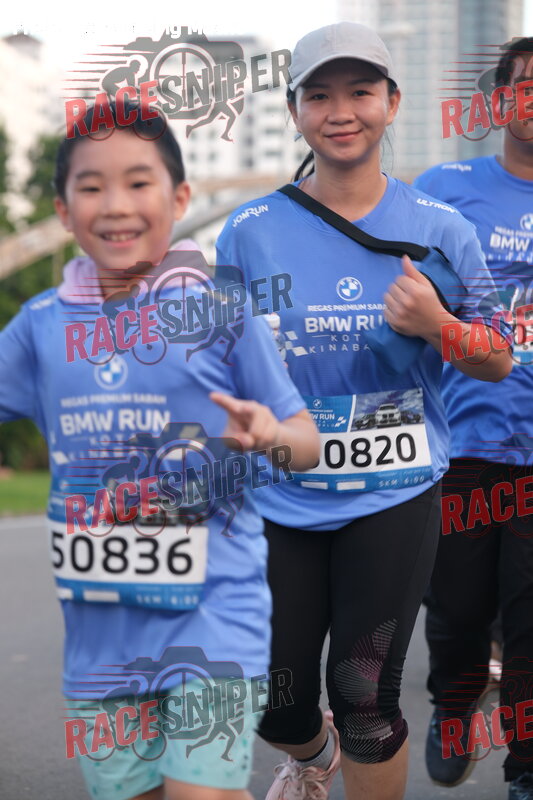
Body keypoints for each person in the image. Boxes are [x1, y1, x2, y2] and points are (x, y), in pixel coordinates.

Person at [215, 21, 513, 800]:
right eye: (318, 95)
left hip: (394, 491)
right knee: (273, 698)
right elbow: (219, 361)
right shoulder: (248, 232)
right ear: (294, 110)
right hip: (279, 491)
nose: (340, 111)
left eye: (359, 91)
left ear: (391, 102)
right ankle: (311, 759)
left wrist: (438, 326)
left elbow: (497, 356)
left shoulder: (440, 228)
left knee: (364, 696)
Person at [0, 101, 320, 800]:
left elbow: (308, 444)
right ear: (63, 211)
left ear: (178, 198)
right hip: (101, 649)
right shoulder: (39, 329)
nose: (116, 204)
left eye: (138, 182)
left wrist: (271, 435)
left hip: (217, 621)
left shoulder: (222, 315)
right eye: (92, 186)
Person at [414, 37, 533, 800]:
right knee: (455, 611)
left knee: (529, 624)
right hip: (461, 439)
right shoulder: (444, 188)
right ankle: (452, 702)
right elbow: (399, 290)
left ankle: (525, 770)